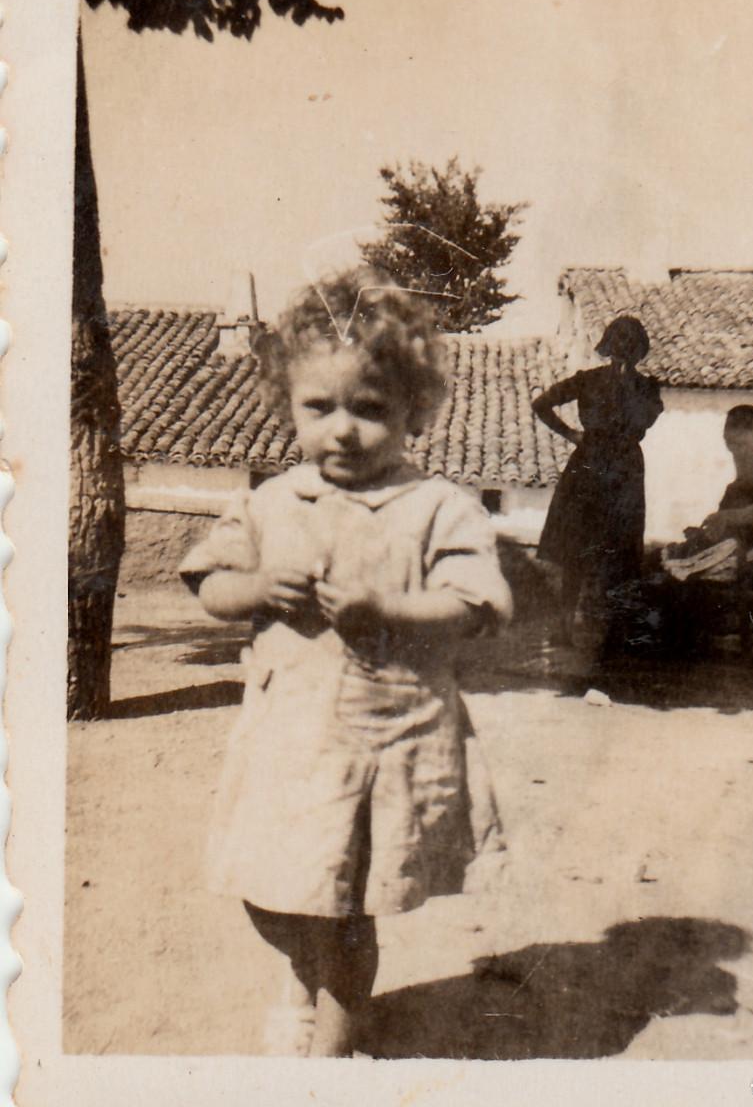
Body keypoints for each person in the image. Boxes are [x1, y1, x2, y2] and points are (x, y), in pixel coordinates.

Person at [179, 267, 513, 1058]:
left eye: (370, 409)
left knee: (346, 906)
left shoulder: (439, 506)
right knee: (271, 893)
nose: (343, 430)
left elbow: (474, 605)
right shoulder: (269, 501)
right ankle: (301, 980)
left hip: (382, 740)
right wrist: (256, 586)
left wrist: (385, 610)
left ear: (413, 412)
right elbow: (211, 584)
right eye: (318, 407)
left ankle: (332, 1055)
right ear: (285, 404)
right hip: (287, 743)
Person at [532, 315, 663, 647]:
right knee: (579, 547)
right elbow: (542, 403)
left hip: (613, 468)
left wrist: (575, 433)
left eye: (626, 347)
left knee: (618, 549)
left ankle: (609, 632)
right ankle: (570, 629)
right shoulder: (603, 382)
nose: (622, 353)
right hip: (598, 467)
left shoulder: (644, 388)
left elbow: (643, 418)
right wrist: (572, 434)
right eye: (620, 346)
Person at [661, 404, 753, 583]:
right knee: (673, 555)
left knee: (673, 569)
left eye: (743, 432)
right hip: (742, 544)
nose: (733, 439)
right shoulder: (746, 474)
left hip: (752, 551)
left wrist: (725, 517)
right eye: (729, 430)